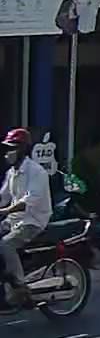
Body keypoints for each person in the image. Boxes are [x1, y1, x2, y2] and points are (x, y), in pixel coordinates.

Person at [0, 129, 52, 305]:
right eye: (7, 148)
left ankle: (20, 287)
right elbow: (3, 197)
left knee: (6, 244)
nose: (8, 152)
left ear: (23, 149)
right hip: (14, 220)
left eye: (12, 148)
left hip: (33, 221)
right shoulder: (11, 173)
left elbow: (30, 200)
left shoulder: (37, 171)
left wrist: (6, 210)